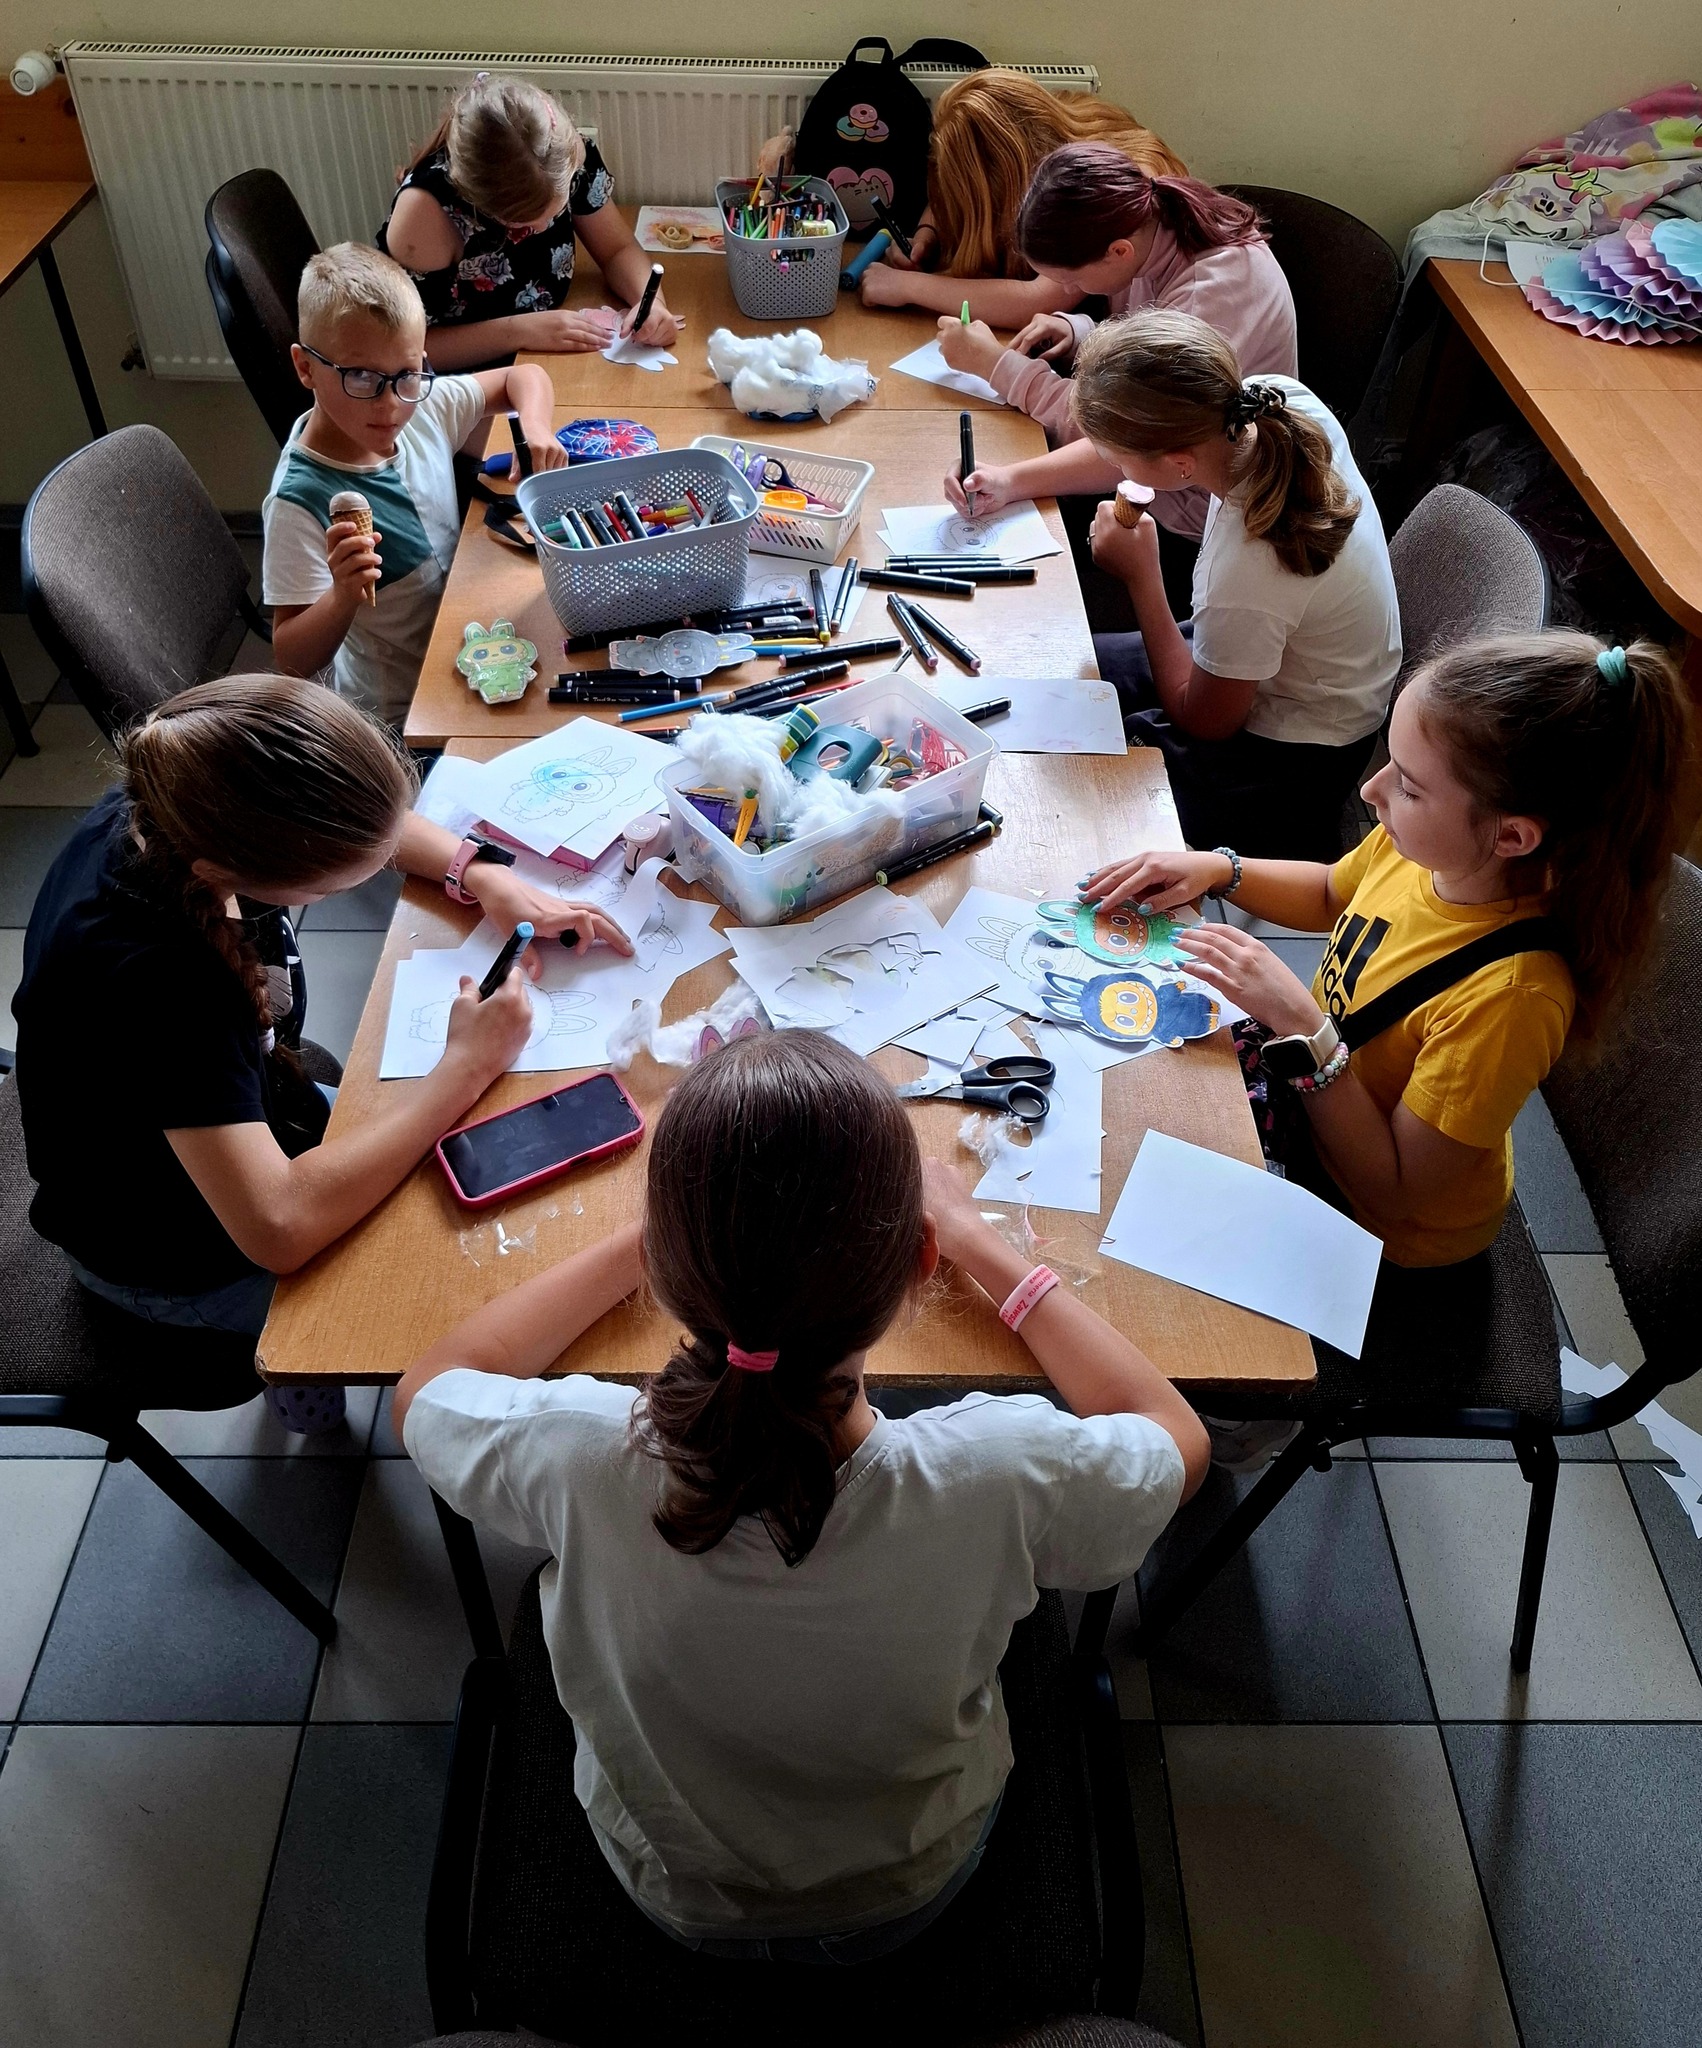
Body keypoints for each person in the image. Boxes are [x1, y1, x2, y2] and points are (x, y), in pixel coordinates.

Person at [396, 1029, 1207, 1954]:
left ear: (668, 1274)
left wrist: (680, 1237)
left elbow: (427, 1391)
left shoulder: (575, 1453)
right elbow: (1175, 1438)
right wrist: (981, 1242)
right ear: (919, 1263)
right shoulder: (1001, 1470)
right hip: (917, 1879)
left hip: (670, 1890)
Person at [11, 676, 629, 1429]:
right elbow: (279, 1228)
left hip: (260, 1131)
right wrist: (466, 1064)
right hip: (179, 1257)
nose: (381, 863)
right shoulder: (164, 981)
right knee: (480, 1295)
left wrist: (479, 872)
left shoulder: (177, 800)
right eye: (348, 876)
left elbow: (364, 822)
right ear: (243, 870)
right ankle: (306, 1367)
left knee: (486, 1171)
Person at [1081, 630, 1689, 1275]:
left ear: (1511, 836)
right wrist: (1218, 869)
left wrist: (1304, 1028)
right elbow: (1328, 892)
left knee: (1116, 1213)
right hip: (1319, 1093)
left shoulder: (1512, 999)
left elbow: (1397, 1190)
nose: (1372, 790)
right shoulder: (1430, 853)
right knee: (1121, 1094)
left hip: (1379, 1234)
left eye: (1410, 787)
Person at [1055, 309, 1400, 860]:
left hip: (1297, 758)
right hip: (1295, 659)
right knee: (1073, 672)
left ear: (1179, 464)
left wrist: (1141, 577)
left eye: (1114, 457)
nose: (1110, 466)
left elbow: (1205, 722)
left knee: (1095, 767)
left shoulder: (1248, 563)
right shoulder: (1270, 400)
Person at [264, 242, 565, 725]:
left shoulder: (418, 405)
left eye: (407, 374)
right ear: (306, 368)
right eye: (360, 377)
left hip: (473, 660)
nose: (388, 405)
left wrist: (535, 428)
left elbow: (523, 377)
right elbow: (292, 660)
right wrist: (342, 596)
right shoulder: (299, 500)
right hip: (402, 716)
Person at [940, 146, 1297, 549]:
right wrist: (1080, 331)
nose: (1069, 291)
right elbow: (1148, 357)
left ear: (1119, 251)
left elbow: (1124, 440)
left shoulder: (1207, 295)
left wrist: (999, 368)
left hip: (1190, 514)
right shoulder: (1156, 227)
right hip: (1155, 463)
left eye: (1072, 280)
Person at [378, 74, 683, 369]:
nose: (540, 229)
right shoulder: (425, 213)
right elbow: (405, 349)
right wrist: (520, 331)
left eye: (556, 212)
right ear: (477, 201)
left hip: (540, 354)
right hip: (463, 376)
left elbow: (616, 249)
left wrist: (650, 302)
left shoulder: (565, 154)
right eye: (520, 223)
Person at [857, 68, 1185, 328]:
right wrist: (927, 233)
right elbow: (956, 191)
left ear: (1001, 178)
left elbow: (1039, 299)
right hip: (1086, 332)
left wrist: (909, 287)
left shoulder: (1110, 186)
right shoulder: (1049, 125)